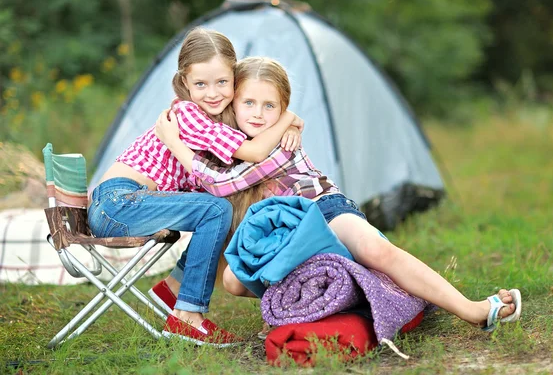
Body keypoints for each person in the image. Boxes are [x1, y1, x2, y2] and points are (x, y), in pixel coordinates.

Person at [154, 56, 522, 334]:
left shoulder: (282, 139)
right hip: (284, 233)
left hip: (322, 209)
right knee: (234, 280)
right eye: (249, 103)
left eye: (271, 107)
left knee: (376, 250)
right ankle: (353, 295)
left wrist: (177, 144)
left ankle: (473, 309)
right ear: (234, 103)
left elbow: (222, 184)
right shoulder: (226, 144)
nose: (259, 114)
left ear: (283, 109)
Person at [88, 30, 304, 347]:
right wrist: (289, 118)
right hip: (119, 202)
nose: (212, 93)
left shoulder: (214, 121)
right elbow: (255, 153)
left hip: (129, 202)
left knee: (215, 206)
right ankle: (188, 315)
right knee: (216, 210)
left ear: (234, 79)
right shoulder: (188, 116)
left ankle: (174, 288)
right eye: (200, 84)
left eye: (221, 82)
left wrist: (290, 126)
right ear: (185, 83)